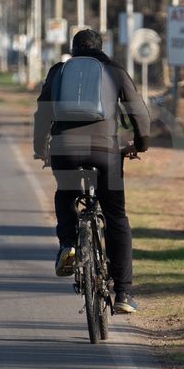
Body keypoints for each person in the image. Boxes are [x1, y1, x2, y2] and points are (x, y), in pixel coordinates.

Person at [34, 28, 151, 314]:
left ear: (73, 49)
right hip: (104, 152)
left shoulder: (59, 71)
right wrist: (141, 144)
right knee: (116, 217)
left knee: (66, 194)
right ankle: (123, 293)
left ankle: (68, 245)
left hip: (65, 151)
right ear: (101, 48)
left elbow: (43, 112)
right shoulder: (114, 71)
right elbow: (138, 112)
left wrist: (41, 149)